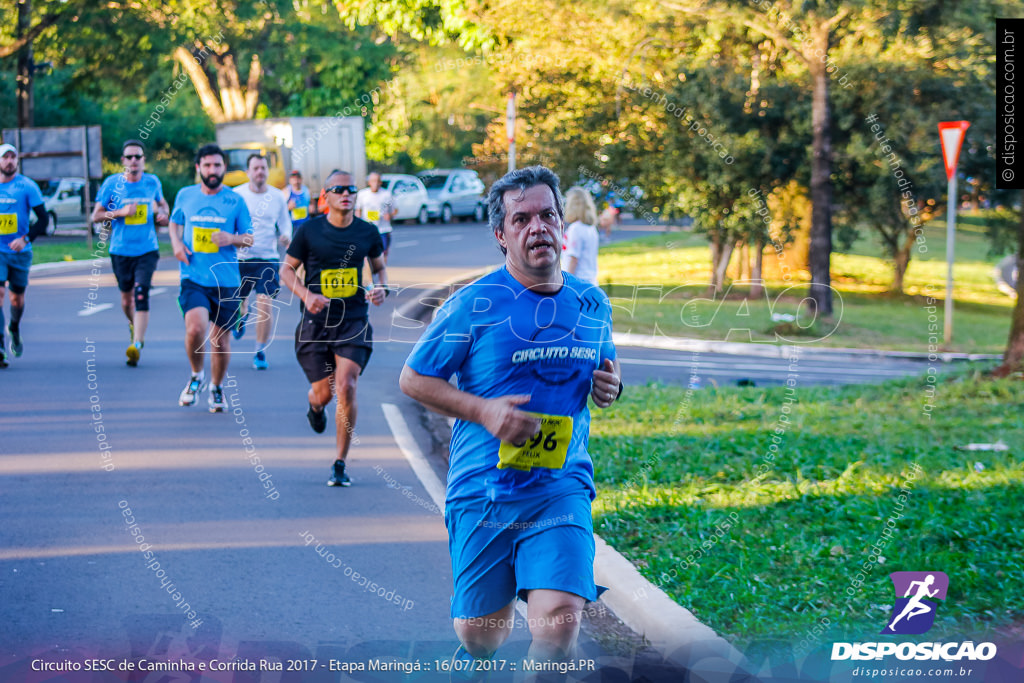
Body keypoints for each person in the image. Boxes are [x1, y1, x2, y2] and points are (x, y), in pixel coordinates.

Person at [399, 166, 622, 670]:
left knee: (560, 622)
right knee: (482, 636)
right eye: (521, 219)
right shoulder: (473, 305)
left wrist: (611, 385)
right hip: (484, 491)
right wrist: (483, 411)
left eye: (548, 214)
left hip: (559, 486)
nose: (537, 226)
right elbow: (414, 379)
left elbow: (606, 365)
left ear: (563, 224)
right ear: (502, 235)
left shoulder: (592, 302)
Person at [281, 170, 388, 487]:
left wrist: (382, 288)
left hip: (353, 320)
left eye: (351, 189)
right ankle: (315, 406)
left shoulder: (367, 232)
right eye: (338, 189)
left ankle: (340, 462)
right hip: (315, 324)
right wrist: (306, 294)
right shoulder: (309, 231)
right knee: (324, 393)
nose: (346, 194)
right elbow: (286, 270)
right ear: (324, 196)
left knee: (347, 386)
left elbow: (380, 270)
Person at [168, 144, 253, 411]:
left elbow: (249, 238)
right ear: (198, 168)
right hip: (193, 276)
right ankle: (196, 376)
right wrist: (177, 244)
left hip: (226, 280)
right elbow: (174, 222)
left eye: (217, 165)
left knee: (220, 340)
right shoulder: (185, 195)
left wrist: (232, 239)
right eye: (207, 165)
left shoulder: (236, 201)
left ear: (224, 168)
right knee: (195, 328)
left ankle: (216, 387)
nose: (212, 170)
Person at [91, 139, 171, 366]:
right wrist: (120, 212)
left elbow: (164, 206)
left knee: (141, 292)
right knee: (127, 301)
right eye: (129, 157)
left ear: (144, 160)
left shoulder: (152, 182)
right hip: (120, 250)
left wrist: (163, 214)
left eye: (138, 157)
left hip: (147, 249)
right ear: (123, 161)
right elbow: (96, 216)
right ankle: (133, 326)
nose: (134, 161)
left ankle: (137, 344)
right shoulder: (112, 184)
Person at [233, 153, 292, 370]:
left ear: (267, 171)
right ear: (248, 172)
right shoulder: (237, 195)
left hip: (268, 258)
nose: (260, 172)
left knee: (265, 303)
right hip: (240, 258)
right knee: (240, 302)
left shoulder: (277, 196)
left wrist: (286, 236)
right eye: (255, 168)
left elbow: (286, 223)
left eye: (263, 168)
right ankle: (241, 315)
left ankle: (259, 350)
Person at [0, 143, 48, 367]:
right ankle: (0, 346)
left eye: (12, 157)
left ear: (17, 161)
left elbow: (43, 220)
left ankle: (14, 328)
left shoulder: (27, 186)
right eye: (5, 157)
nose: (9, 161)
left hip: (20, 252)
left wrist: (25, 239)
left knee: (16, 299)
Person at [354, 172, 398, 262]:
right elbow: (358, 210)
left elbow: (395, 210)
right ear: (369, 182)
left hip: (383, 229)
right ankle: (370, 274)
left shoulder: (387, 194)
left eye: (378, 181)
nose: (376, 183)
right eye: (373, 181)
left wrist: (390, 215)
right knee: (367, 254)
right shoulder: (362, 194)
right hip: (367, 229)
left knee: (383, 253)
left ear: (381, 182)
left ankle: (381, 272)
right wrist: (357, 222)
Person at [560, 186, 600, 285]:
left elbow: (573, 259)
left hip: (577, 284)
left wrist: (567, 285)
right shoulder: (591, 228)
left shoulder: (575, 229)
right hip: (591, 282)